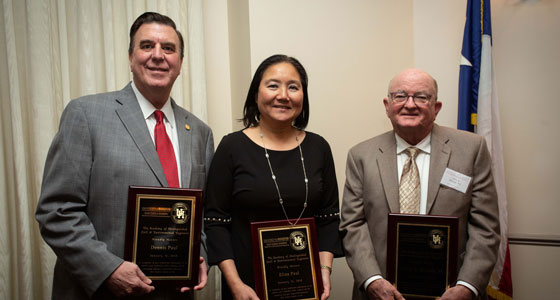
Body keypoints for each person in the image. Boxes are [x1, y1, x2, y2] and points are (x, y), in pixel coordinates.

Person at [35, 12, 213, 300]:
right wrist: (108, 270)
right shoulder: (86, 115)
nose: (158, 56)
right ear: (131, 58)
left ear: (180, 63)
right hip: (100, 293)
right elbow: (57, 211)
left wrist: (198, 256)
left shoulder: (200, 133)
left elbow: (200, 216)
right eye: (146, 46)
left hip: (174, 293)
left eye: (168, 48)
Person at [339, 68, 500, 300]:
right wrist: (371, 280)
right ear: (387, 105)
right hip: (380, 293)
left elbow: (486, 227)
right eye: (400, 96)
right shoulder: (361, 155)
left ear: (436, 107)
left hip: (452, 292)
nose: (410, 104)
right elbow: (352, 225)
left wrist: (467, 286)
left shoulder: (471, 149)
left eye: (421, 97)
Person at [204, 54, 343, 300]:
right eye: (272, 85)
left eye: (293, 87)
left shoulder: (319, 148)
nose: (283, 95)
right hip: (246, 290)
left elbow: (328, 218)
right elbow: (216, 221)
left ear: (303, 97)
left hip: (304, 287)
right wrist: (235, 284)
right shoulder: (232, 147)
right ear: (256, 95)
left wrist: (323, 272)